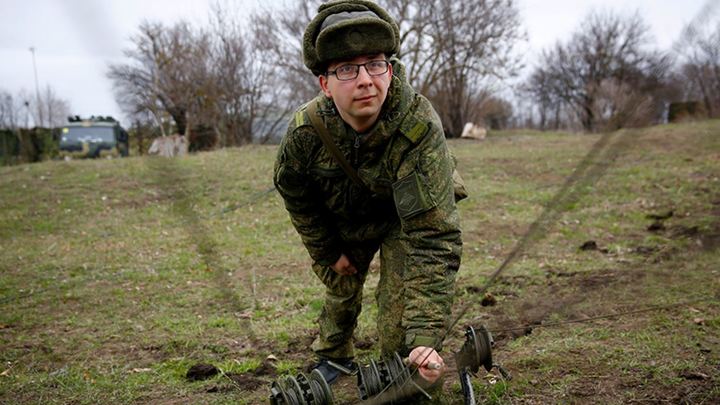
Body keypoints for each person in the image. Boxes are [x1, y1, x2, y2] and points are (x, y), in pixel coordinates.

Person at [273, 0, 464, 386]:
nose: (365, 79)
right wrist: (328, 250)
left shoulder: (418, 125)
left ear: (390, 71)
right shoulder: (304, 134)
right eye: (346, 69)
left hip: (403, 219)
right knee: (341, 281)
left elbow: (433, 235)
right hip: (344, 215)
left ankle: (405, 360)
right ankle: (333, 354)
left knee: (400, 345)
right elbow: (298, 198)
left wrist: (424, 337)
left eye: (376, 63)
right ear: (324, 84)